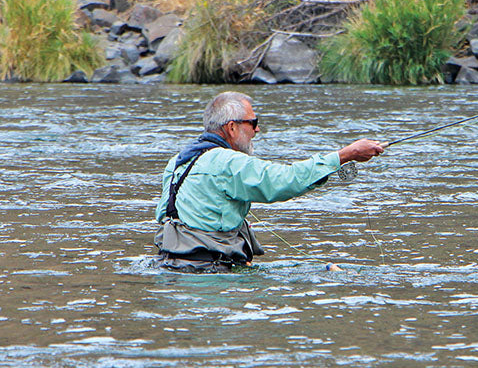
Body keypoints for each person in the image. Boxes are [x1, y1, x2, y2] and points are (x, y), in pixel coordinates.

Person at [153, 91, 384, 272]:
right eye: (253, 122)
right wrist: (344, 155)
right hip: (208, 273)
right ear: (231, 127)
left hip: (169, 265)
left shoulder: (177, 160)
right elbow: (285, 180)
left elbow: (164, 214)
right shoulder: (229, 162)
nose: (257, 129)